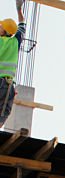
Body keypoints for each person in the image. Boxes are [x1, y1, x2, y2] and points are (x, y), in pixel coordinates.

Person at [0, 0, 25, 128]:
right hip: (8, 87)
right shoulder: (15, 42)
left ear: (4, 31)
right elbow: (22, 26)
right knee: (3, 114)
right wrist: (19, 10)